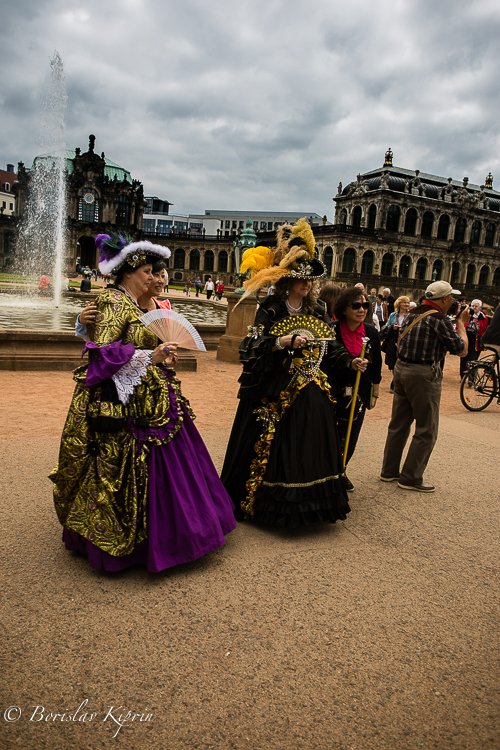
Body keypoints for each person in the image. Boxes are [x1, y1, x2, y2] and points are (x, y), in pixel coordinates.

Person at [50, 233, 236, 573]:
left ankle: (173, 532)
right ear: (127, 272)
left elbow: (133, 341)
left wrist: (161, 356)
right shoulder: (113, 300)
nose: (154, 278)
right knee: (118, 465)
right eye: (148, 271)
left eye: (155, 271)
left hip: (151, 395)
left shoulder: (140, 303)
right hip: (120, 402)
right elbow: (102, 353)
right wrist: (151, 356)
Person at [221, 217, 368, 527]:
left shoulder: (317, 310)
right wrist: (282, 341)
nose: (307, 285)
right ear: (287, 281)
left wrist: (349, 362)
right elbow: (251, 345)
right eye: (302, 280)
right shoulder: (271, 308)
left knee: (316, 419)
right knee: (281, 429)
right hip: (277, 379)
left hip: (311, 377)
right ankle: (270, 500)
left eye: (310, 280)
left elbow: (330, 343)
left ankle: (311, 500)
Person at [380, 280, 469, 493]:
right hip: (423, 374)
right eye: (452, 298)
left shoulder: (413, 313)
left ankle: (389, 471)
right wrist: (461, 323)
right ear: (444, 299)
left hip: (402, 369)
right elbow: (462, 350)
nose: (453, 302)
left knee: (398, 424)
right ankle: (410, 477)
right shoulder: (439, 319)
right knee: (427, 428)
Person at [330, 287, 382, 492]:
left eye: (365, 305)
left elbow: (376, 364)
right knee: (332, 433)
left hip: (360, 391)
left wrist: (375, 391)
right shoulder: (332, 329)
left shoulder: (371, 332)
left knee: (351, 435)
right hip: (334, 390)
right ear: (344, 309)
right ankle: (329, 472)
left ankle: (341, 470)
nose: (362, 310)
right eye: (356, 305)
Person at [381, 295, 411, 392]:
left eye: (408, 302)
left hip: (405, 342)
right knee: (393, 363)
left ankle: (395, 383)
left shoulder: (411, 315)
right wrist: (392, 327)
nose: (407, 304)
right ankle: (396, 381)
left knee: (402, 362)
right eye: (404, 302)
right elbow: (387, 326)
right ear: (399, 304)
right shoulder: (393, 315)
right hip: (393, 341)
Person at [460, 298, 489, 377]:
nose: (474, 307)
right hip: (466, 339)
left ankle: (471, 379)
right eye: (472, 306)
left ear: (480, 308)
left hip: (476, 342)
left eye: (476, 306)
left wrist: (478, 326)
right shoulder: (466, 314)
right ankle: (462, 376)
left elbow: (484, 330)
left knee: (473, 360)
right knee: (464, 358)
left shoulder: (483, 317)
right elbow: (461, 324)